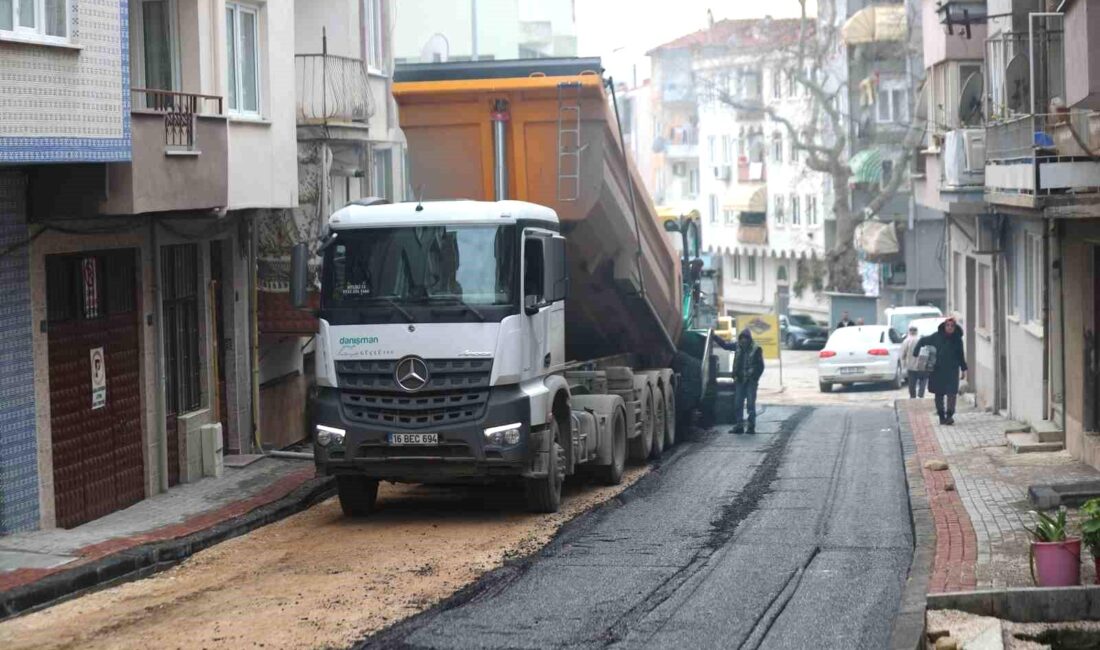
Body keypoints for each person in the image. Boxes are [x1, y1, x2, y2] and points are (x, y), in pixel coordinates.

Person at [913, 317, 967, 425]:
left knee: (952, 393)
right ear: (944, 326)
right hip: (938, 370)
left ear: (955, 327)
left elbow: (960, 354)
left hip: (952, 370)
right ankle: (942, 416)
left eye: (952, 326)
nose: (950, 327)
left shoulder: (957, 339)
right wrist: (916, 352)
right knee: (939, 393)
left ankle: (950, 415)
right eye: (948, 325)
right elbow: (922, 341)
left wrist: (963, 368)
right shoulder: (936, 337)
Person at [712, 328, 765, 433]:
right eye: (741, 339)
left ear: (749, 340)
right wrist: (714, 336)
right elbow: (725, 345)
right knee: (738, 403)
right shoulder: (737, 346)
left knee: (750, 404)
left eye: (745, 339)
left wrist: (754, 378)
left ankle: (751, 426)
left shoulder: (756, 349)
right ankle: (739, 426)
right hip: (740, 380)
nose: (743, 342)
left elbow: (761, 366)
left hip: (750, 381)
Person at [899, 325, 927, 398]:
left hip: (911, 365)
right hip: (922, 364)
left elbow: (903, 354)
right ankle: (921, 395)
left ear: (909, 332)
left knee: (912, 382)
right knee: (923, 379)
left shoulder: (906, 341)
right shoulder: (921, 339)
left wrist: (903, 364)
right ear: (916, 331)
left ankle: (913, 396)